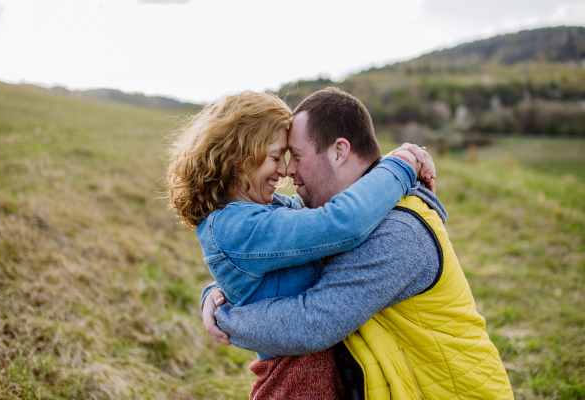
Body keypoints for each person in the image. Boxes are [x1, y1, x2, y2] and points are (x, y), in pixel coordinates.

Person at [202, 88, 515, 400]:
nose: (289, 171)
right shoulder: (339, 217)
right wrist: (216, 292)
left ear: (339, 151)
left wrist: (226, 317)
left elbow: (313, 322)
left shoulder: (397, 230)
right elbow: (264, 248)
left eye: (296, 156)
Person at [166, 90, 434, 399]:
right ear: (240, 155)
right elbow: (338, 224)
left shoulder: (258, 212)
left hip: (313, 376)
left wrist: (217, 294)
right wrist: (399, 167)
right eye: (277, 157)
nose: (284, 170)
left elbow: (324, 216)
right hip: (293, 383)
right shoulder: (236, 225)